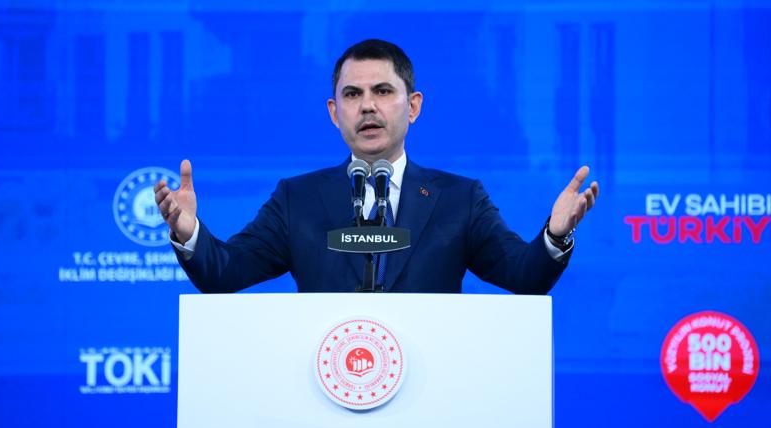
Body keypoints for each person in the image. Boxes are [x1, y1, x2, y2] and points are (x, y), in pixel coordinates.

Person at [154, 39, 599, 293]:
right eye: (352, 95)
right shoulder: (297, 199)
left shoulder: (460, 200)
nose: (367, 106)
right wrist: (189, 232)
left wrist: (556, 235)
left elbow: (523, 275)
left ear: (413, 106)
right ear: (334, 113)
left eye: (383, 91)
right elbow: (225, 272)